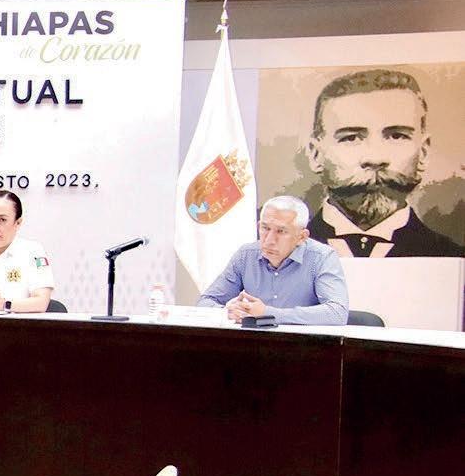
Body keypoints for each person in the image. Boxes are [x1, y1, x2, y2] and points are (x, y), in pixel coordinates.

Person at [305, 69, 464, 258]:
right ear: (316, 155)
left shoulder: (453, 257)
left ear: (423, 153)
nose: (375, 159)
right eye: (351, 138)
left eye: (397, 136)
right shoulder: (281, 256)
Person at [198, 196, 349, 326]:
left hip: (302, 346)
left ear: (301, 237)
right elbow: (205, 302)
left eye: (281, 231)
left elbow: (337, 313)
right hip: (252, 344)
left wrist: (268, 314)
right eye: (265, 228)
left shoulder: (321, 257)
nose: (269, 240)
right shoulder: (246, 255)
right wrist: (227, 311)